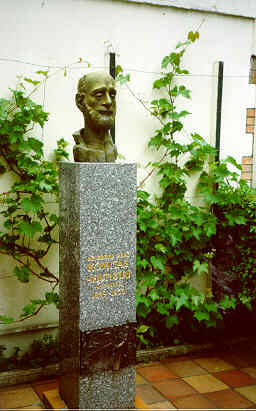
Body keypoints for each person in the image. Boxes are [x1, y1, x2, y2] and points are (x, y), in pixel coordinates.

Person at [73, 71, 118, 162]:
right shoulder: (81, 151)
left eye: (112, 95)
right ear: (80, 102)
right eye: (99, 95)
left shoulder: (112, 150)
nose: (109, 102)